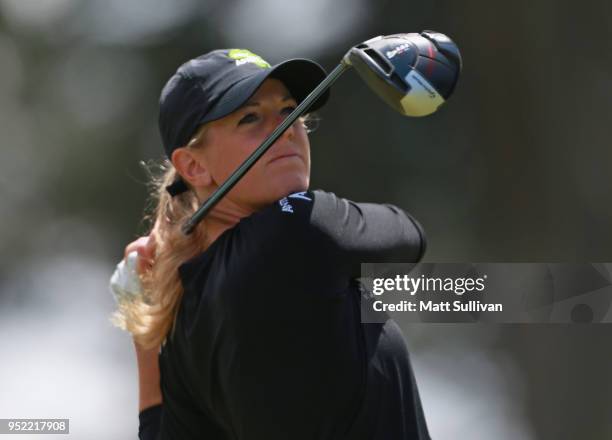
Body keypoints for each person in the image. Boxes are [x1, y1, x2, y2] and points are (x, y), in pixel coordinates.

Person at [111, 48, 431, 439]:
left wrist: (149, 334)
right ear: (194, 166)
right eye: (251, 118)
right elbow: (410, 236)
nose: (287, 128)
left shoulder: (185, 321)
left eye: (290, 111)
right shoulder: (294, 227)